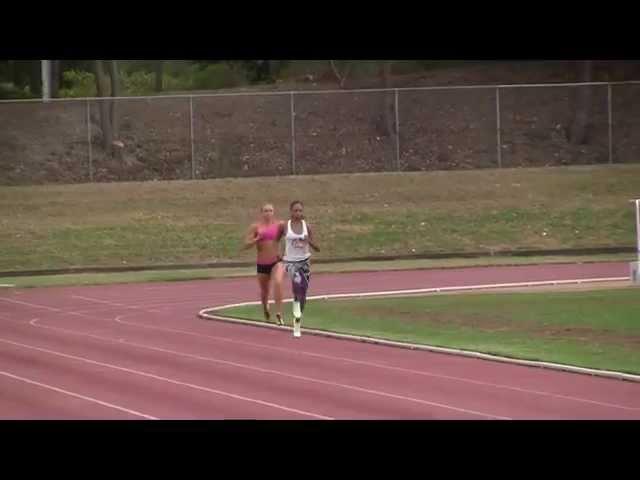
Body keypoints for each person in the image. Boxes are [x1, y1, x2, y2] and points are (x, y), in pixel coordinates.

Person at [243, 203, 285, 326]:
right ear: (261, 212)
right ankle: (266, 307)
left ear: (274, 212)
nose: (268, 213)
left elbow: (291, 237)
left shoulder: (280, 225)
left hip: (276, 261)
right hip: (262, 263)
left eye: (270, 210)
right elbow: (246, 244)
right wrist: (256, 239)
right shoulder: (255, 227)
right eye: (265, 211)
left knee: (278, 281)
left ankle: (279, 313)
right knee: (264, 291)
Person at [282, 200, 320, 338]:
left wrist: (307, 240)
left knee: (303, 294)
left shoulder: (306, 226)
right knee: (298, 289)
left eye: (300, 210)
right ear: (291, 211)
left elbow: (317, 248)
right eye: (295, 210)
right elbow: (276, 240)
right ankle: (296, 324)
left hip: (304, 263)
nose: (298, 213)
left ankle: (298, 317)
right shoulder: (285, 226)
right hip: (291, 263)